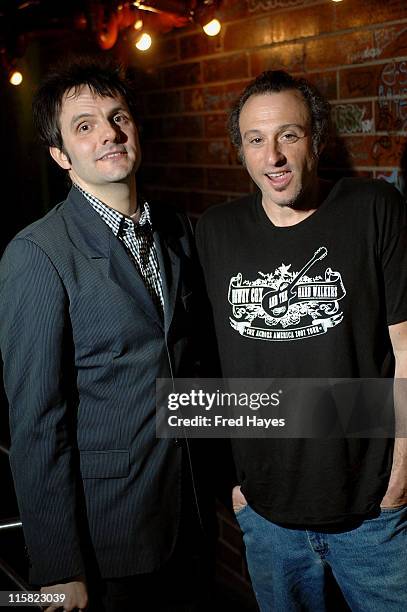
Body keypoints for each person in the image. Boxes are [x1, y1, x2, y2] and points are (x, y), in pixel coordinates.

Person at [0, 58, 214, 612]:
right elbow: (36, 421)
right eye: (85, 126)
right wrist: (58, 566)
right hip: (110, 535)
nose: (109, 134)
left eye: (118, 117)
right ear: (61, 156)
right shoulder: (38, 253)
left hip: (190, 517)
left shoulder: (175, 228)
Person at [196, 70, 407, 611]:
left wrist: (400, 480)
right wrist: (234, 487)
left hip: (372, 517)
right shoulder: (215, 231)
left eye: (289, 135)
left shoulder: (373, 209)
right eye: (255, 140)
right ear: (240, 151)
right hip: (266, 520)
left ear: (316, 139)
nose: (274, 156)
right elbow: (204, 361)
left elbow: (406, 351)